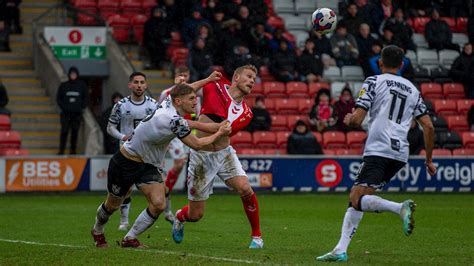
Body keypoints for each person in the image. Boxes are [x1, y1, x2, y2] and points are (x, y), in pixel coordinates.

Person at [316, 45, 436, 262]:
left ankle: (400, 208)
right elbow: (429, 127)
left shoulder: (374, 81)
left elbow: (358, 119)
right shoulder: (413, 90)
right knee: (360, 197)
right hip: (400, 153)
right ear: (401, 65)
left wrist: (349, 118)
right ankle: (340, 249)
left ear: (380, 62)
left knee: (356, 197)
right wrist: (428, 160)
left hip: (379, 147)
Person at [91, 83, 232, 248]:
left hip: (148, 165)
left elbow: (181, 94)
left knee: (159, 203)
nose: (196, 101)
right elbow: (198, 144)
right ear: (179, 101)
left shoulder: (168, 103)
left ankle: (130, 238)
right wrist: (219, 133)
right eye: (192, 99)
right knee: (112, 205)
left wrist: (207, 79)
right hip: (125, 162)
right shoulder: (172, 120)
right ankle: (97, 229)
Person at [172, 65, 264, 249]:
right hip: (201, 156)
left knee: (245, 188)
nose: (252, 81)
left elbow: (223, 131)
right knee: (195, 215)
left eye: (254, 78)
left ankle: (257, 237)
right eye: (249, 76)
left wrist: (189, 123)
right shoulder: (215, 85)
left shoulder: (246, 113)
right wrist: (202, 80)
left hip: (224, 154)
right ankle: (180, 217)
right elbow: (184, 93)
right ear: (236, 77)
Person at [157, 68, 222, 224]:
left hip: (186, 134)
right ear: (174, 78)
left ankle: (168, 202)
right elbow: (159, 111)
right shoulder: (167, 94)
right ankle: (164, 196)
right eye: (180, 76)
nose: (183, 78)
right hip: (171, 134)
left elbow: (199, 116)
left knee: (182, 166)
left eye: (186, 76)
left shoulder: (195, 97)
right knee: (178, 164)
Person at [106, 72, 160, 231]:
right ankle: (124, 220)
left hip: (147, 154)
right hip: (126, 153)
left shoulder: (153, 105)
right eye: (136, 82)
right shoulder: (121, 105)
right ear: (130, 85)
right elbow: (110, 127)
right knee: (126, 189)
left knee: (156, 189)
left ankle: (163, 214)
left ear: (146, 85)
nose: (139, 85)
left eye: (142, 82)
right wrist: (123, 137)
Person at [56, 66, 88, 155]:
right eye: (71, 74)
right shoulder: (64, 85)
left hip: (76, 114)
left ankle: (73, 151)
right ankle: (61, 151)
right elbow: (59, 98)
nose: (73, 75)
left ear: (77, 75)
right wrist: (64, 107)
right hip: (66, 114)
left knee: (75, 133)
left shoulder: (82, 85)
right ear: (69, 75)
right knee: (64, 131)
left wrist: (81, 107)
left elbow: (86, 97)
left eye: (74, 74)